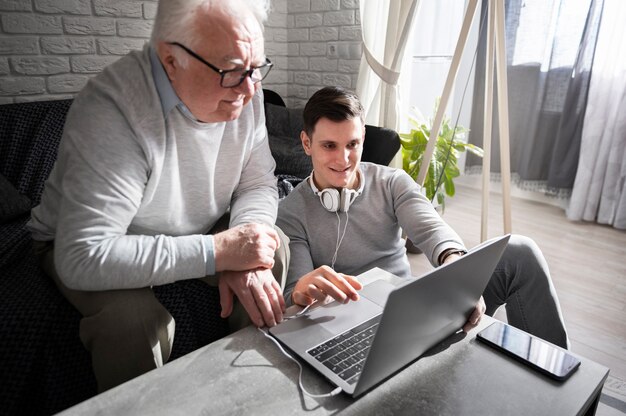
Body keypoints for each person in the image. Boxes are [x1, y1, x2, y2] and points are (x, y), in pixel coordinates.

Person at [27, 0, 289, 392]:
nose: (250, 89)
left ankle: (248, 390)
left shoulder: (246, 90)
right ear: (171, 61)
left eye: (256, 68)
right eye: (232, 72)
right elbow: (84, 255)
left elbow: (257, 182)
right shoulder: (112, 108)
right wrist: (219, 252)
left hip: (194, 223)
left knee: (272, 247)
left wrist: (246, 241)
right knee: (134, 324)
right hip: (95, 241)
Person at [276, 86, 570, 349]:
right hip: (353, 330)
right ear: (306, 143)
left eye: (352, 144)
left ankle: (563, 391)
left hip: (414, 313)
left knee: (520, 251)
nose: (343, 160)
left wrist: (457, 268)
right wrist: (303, 292)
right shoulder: (291, 211)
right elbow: (294, 295)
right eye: (329, 146)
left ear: (363, 137)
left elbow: (432, 230)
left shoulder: (391, 182)